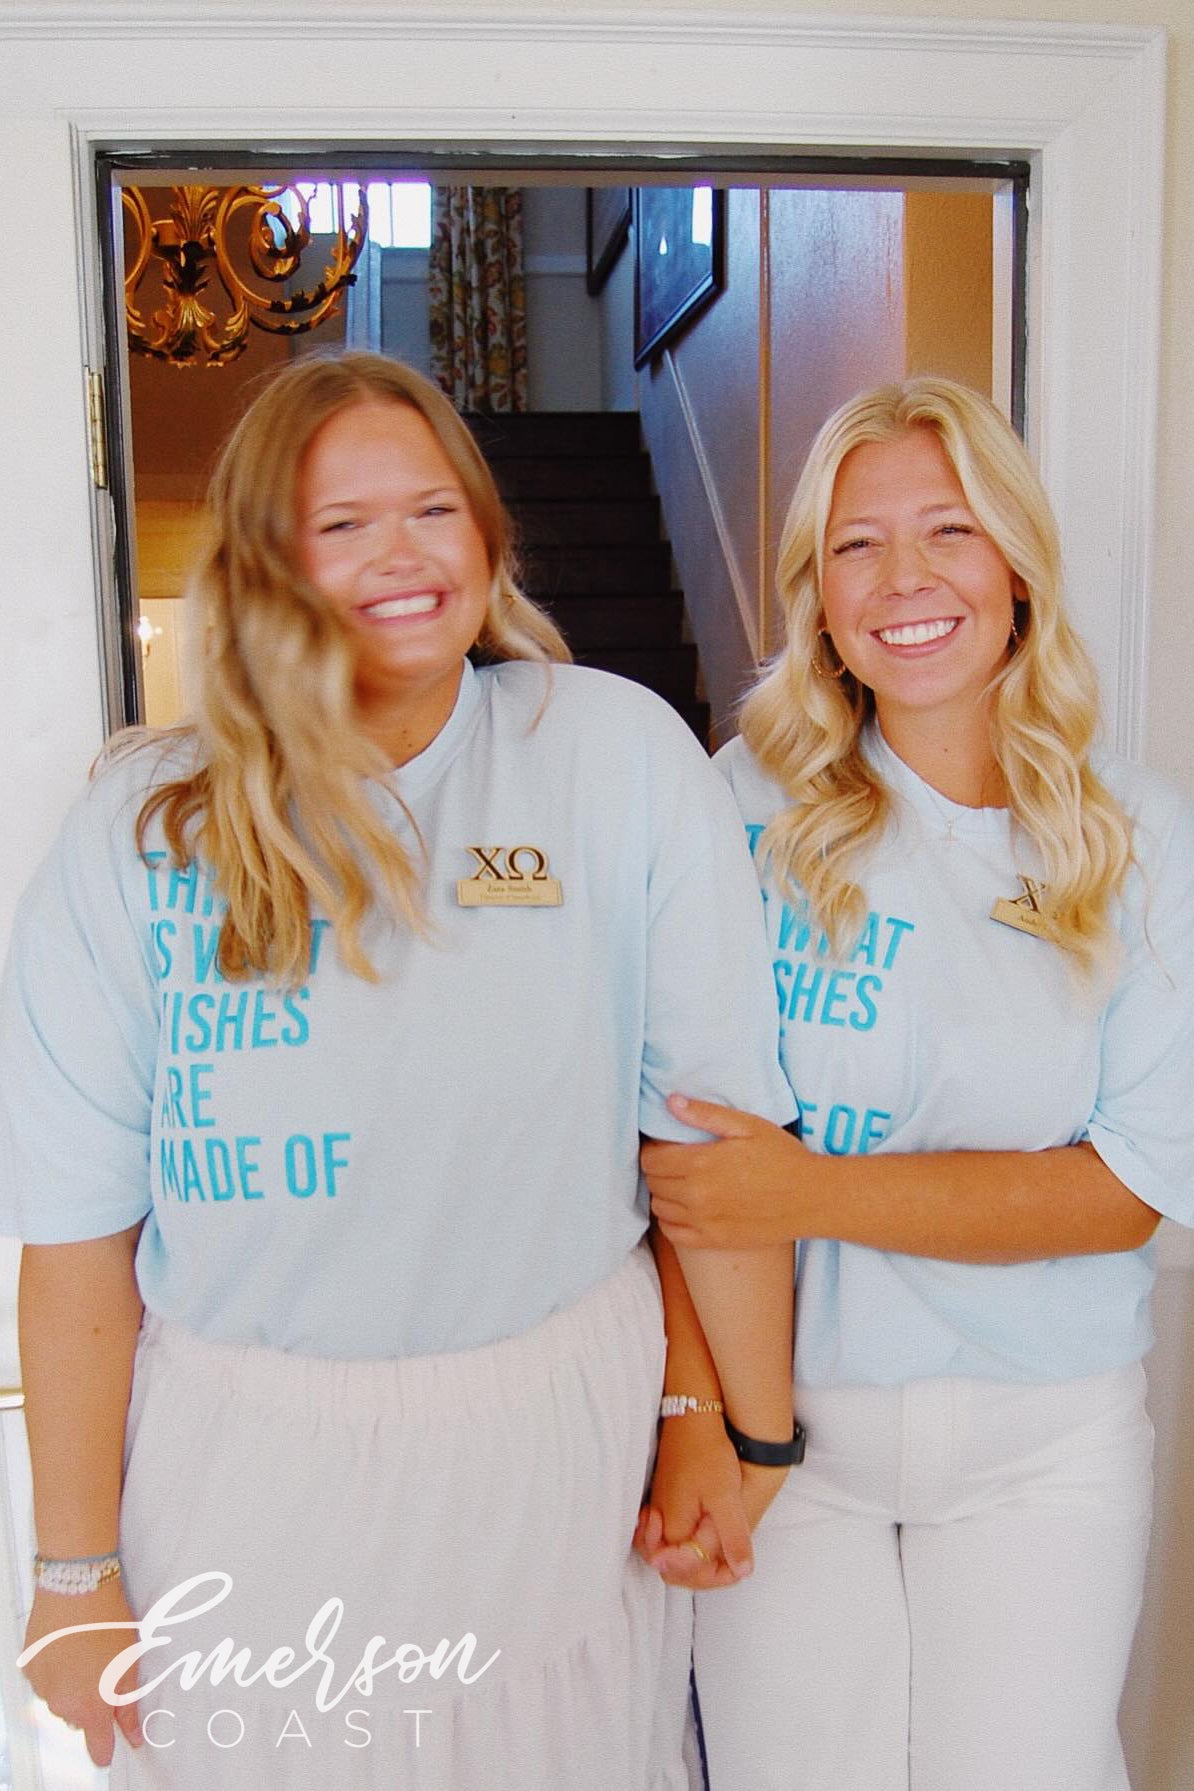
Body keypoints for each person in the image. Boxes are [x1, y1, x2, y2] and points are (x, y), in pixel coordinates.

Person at [0, 352, 800, 1790]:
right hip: (246, 1469)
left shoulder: (609, 755)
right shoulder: (142, 829)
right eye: (342, 523)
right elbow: (75, 1241)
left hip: (552, 1444)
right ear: (267, 562)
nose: (402, 555)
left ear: (488, 536)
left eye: (435, 509)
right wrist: (71, 1572)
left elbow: (702, 1149)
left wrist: (723, 1421)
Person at [638, 376, 1194, 1791]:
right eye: (856, 545)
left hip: (1044, 1443)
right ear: (817, 598)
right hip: (781, 1438)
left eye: (949, 530)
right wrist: (696, 1418)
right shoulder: (737, 809)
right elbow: (683, 1167)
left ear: (1017, 563)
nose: (904, 581)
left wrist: (807, 1192)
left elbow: (1122, 1194)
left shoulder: (1142, 842)